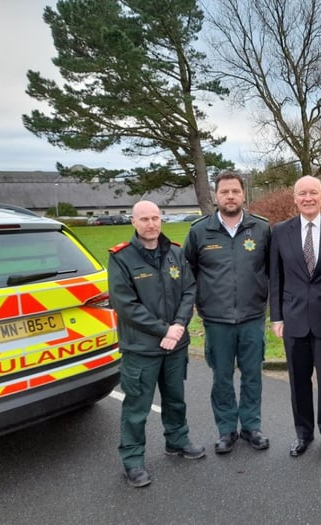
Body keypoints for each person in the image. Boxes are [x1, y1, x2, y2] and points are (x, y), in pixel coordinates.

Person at [108, 200, 206, 488]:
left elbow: (189, 290)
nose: (151, 224)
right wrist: (165, 330)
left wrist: (178, 326)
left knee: (175, 398)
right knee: (137, 407)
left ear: (161, 219)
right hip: (141, 348)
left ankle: (177, 441)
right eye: (144, 219)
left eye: (155, 218)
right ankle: (132, 460)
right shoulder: (121, 258)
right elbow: (125, 305)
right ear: (133, 222)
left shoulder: (175, 252)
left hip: (175, 345)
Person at [184, 172, 271, 455]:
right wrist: (197, 303)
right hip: (216, 320)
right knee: (221, 377)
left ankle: (251, 427)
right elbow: (187, 273)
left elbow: (273, 270)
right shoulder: (199, 231)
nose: (230, 196)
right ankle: (226, 430)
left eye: (235, 191)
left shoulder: (261, 229)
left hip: (252, 317)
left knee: (252, 375)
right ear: (216, 196)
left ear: (244, 194)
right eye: (224, 192)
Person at [269, 175, 321, 459]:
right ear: (294, 198)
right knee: (298, 381)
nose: (308, 198)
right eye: (302, 193)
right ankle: (303, 434)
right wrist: (277, 317)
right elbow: (275, 277)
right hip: (293, 319)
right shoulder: (280, 231)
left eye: (313, 193)